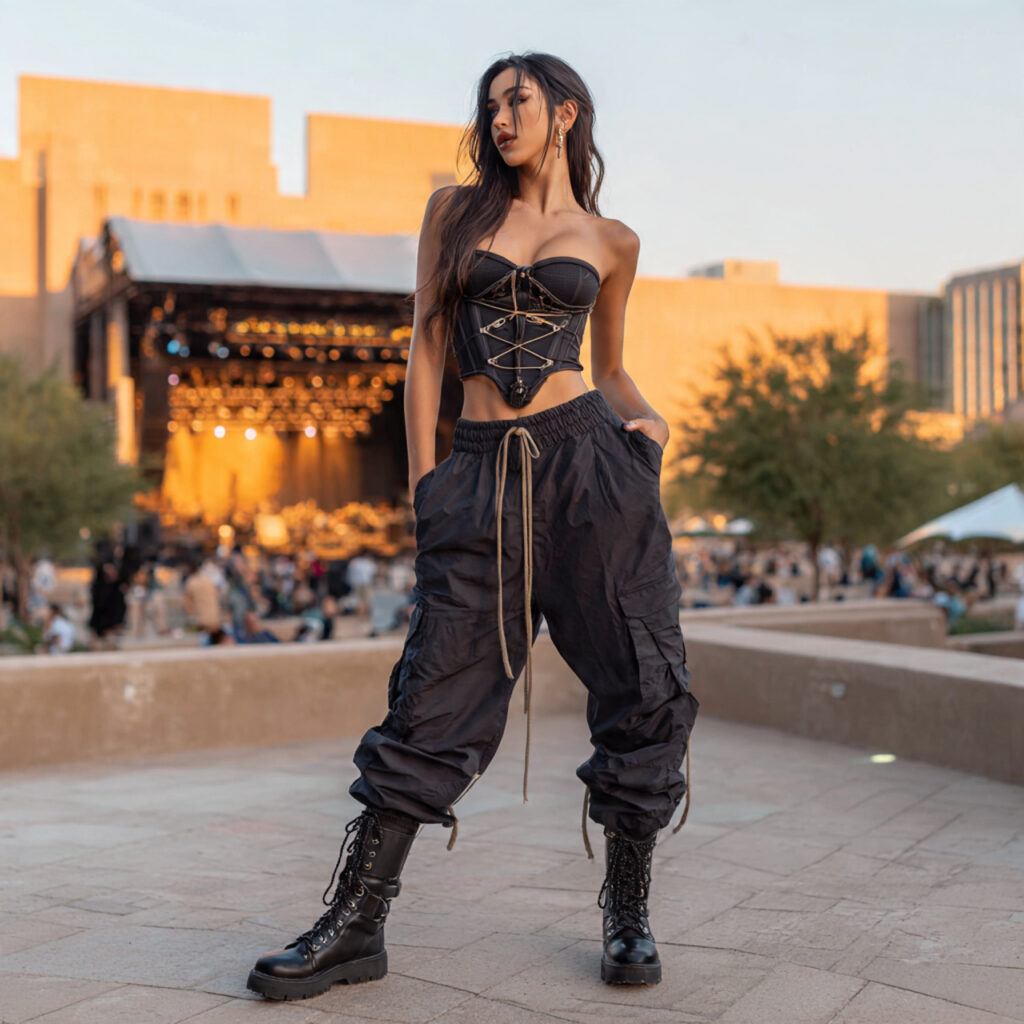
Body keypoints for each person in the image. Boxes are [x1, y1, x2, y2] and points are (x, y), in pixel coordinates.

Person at [247, 51, 698, 1001]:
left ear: (565, 112)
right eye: (490, 104)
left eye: (518, 100)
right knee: (433, 692)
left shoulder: (613, 239)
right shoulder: (454, 214)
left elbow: (611, 367)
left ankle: (627, 913)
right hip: (479, 471)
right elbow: (424, 344)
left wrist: (652, 422)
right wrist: (427, 484)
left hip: (593, 471)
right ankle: (356, 924)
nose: (500, 117)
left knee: (643, 680)